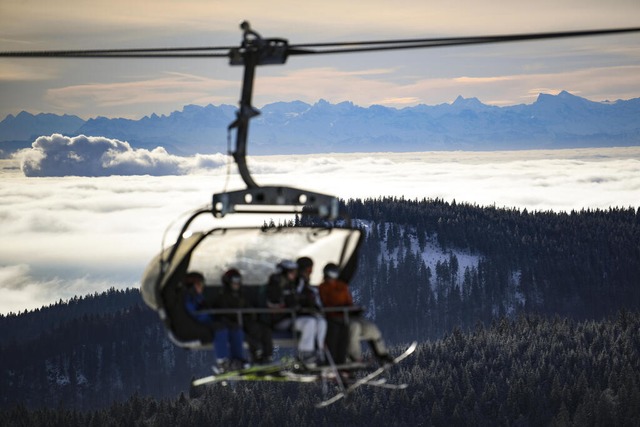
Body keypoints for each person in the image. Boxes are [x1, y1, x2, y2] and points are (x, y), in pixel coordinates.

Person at [318, 263, 393, 365]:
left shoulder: (342, 286)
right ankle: (355, 357)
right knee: (354, 328)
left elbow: (348, 302)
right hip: (335, 318)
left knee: (371, 328)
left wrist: (354, 309)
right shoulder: (323, 288)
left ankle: (381, 354)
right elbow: (324, 304)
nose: (332, 277)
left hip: (349, 316)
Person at [266, 259, 326, 367]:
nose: (294, 275)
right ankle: (305, 354)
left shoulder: (293, 285)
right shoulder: (276, 285)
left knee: (321, 322)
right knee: (309, 323)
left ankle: (319, 350)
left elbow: (298, 300)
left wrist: (307, 306)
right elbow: (279, 302)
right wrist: (296, 306)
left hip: (292, 318)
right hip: (280, 320)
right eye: (291, 272)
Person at [183, 271, 244, 374]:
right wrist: (207, 314)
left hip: (208, 321)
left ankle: (237, 359)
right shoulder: (188, 298)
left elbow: (205, 309)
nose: (201, 287)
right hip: (197, 324)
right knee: (220, 329)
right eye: (199, 284)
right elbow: (193, 313)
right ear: (192, 286)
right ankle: (223, 362)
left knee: (235, 327)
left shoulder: (198, 297)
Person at [218, 268, 273, 365]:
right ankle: (254, 356)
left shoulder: (242, 295)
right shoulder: (223, 296)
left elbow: (247, 306)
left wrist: (251, 314)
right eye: (235, 281)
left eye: (239, 281)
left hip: (245, 321)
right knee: (250, 334)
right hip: (233, 323)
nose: (237, 283)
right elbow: (224, 313)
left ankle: (267, 356)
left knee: (265, 330)